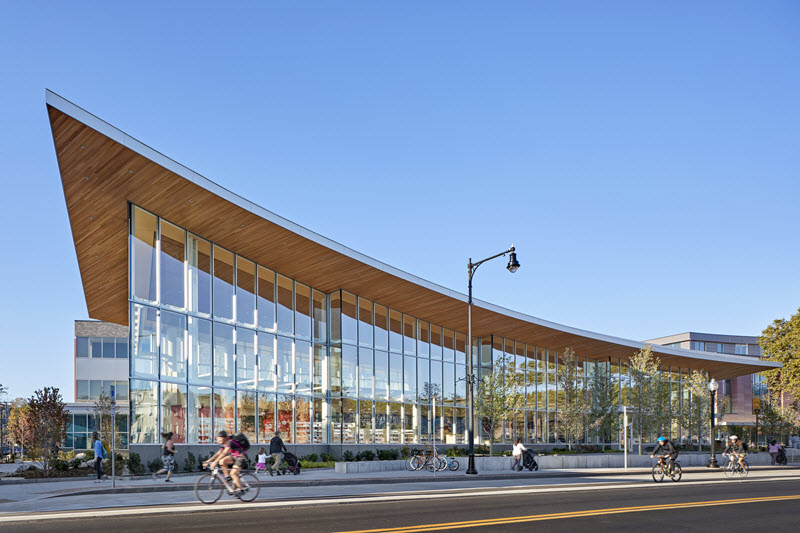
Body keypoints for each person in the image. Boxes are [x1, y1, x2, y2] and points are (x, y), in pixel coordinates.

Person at [203, 430, 246, 496]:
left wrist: (214, 462)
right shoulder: (224, 444)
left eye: (220, 438)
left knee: (233, 473)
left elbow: (224, 453)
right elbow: (218, 453)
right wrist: (208, 461)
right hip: (234, 456)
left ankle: (241, 490)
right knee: (221, 461)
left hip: (241, 457)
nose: (219, 440)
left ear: (225, 438)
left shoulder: (230, 442)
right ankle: (228, 478)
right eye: (218, 438)